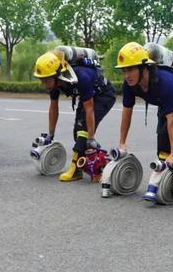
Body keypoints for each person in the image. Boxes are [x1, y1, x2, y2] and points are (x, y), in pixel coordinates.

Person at [115, 42, 173, 202]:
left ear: (144, 68)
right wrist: (122, 143)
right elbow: (126, 113)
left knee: (167, 146)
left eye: (131, 69)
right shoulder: (129, 85)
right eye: (124, 70)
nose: (126, 75)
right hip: (167, 103)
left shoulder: (164, 82)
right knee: (163, 145)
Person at [33, 51, 116, 181]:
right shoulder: (54, 83)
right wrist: (50, 135)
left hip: (104, 95)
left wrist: (91, 137)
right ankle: (96, 164)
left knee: (83, 132)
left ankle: (76, 169)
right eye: (41, 80)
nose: (44, 84)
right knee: (77, 134)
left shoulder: (81, 77)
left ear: (57, 75)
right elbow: (53, 107)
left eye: (46, 80)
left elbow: (89, 109)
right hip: (88, 98)